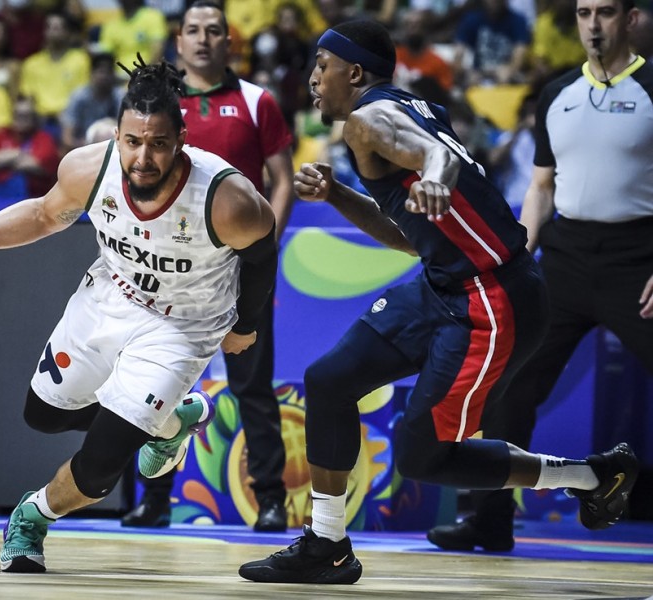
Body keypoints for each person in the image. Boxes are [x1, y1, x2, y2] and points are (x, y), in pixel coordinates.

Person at [238, 19, 639, 585]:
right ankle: (325, 543)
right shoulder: (409, 107)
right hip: (443, 283)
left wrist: (436, 175)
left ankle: (593, 478)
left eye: (321, 67)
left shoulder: (370, 118)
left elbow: (436, 159)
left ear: (353, 73)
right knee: (329, 379)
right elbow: (405, 234)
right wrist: (338, 194)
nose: (312, 80)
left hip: (492, 299)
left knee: (421, 458)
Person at [0, 59, 277, 574]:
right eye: (133, 141)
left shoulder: (228, 200)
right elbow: (44, 215)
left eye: (159, 143)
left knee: (100, 469)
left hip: (182, 326)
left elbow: (262, 253)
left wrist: (244, 324)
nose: (143, 157)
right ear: (117, 135)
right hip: (109, 298)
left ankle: (33, 515)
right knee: (42, 414)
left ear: (182, 138)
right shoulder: (88, 168)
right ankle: (165, 426)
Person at [427, 0, 653, 553]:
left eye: (605, 13)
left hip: (639, 258)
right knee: (507, 387)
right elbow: (542, 186)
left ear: (630, 19)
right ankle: (490, 520)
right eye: (583, 13)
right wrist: (518, 257)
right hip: (566, 257)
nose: (593, 24)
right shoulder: (556, 94)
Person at [121, 0, 294, 533]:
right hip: (170, 271)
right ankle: (154, 501)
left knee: (253, 389)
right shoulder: (157, 109)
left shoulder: (255, 100)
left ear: (229, 41)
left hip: (242, 271)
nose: (202, 39)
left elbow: (282, 180)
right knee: (157, 384)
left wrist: (263, 247)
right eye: (193, 30)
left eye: (214, 30)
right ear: (179, 41)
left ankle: (270, 500)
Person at [0, 95, 60, 197]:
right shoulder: (1, 134)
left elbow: (41, 166)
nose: (20, 119)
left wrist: (2, 162)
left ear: (34, 118)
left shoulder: (43, 138)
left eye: (25, 116)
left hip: (32, 197)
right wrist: (17, 154)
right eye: (17, 115)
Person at [60, 51, 125, 153]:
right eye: (100, 71)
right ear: (91, 73)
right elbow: (67, 139)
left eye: (108, 72)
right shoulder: (79, 97)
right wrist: (90, 146)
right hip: (84, 148)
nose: (104, 76)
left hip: (114, 148)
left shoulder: (120, 96)